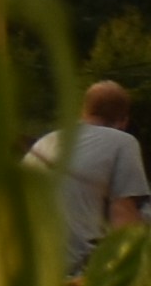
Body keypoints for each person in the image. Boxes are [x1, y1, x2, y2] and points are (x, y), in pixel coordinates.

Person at [38, 78, 147, 267]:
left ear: (84, 112)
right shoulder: (122, 142)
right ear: (124, 121)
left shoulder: (45, 142)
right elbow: (123, 219)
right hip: (77, 273)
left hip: (26, 271)